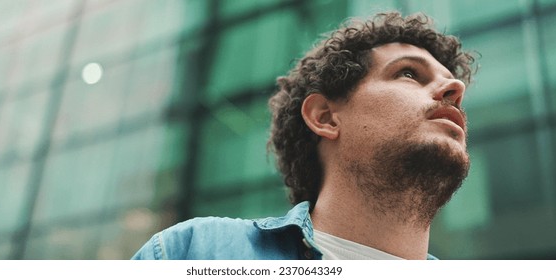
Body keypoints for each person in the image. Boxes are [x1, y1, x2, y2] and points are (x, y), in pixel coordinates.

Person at [132, 10, 476, 260]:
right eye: (409, 73)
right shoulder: (196, 253)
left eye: (452, 83)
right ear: (325, 117)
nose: (454, 88)